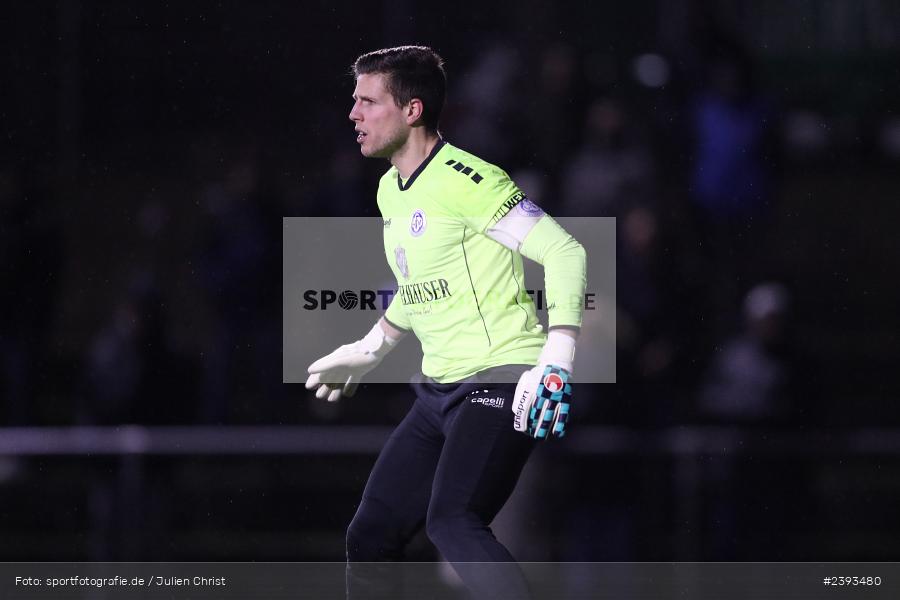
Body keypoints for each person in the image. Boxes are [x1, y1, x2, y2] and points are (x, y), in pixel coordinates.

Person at [304, 46, 586, 599]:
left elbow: (566, 252)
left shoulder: (471, 180)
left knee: (453, 521)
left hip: (500, 378)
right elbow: (423, 285)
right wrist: (373, 345)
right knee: (371, 535)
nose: (353, 114)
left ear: (411, 110)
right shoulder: (390, 188)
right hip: (438, 392)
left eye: (367, 101)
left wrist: (555, 359)